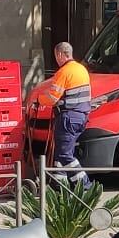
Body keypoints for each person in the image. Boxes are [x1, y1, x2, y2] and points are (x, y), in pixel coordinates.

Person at [45, 41, 94, 180]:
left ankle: (85, 186)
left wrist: (39, 99)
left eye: (56, 56)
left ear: (60, 54)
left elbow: (52, 99)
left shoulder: (63, 72)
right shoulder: (81, 69)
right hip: (81, 116)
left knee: (65, 155)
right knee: (61, 155)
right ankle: (58, 186)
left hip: (68, 117)